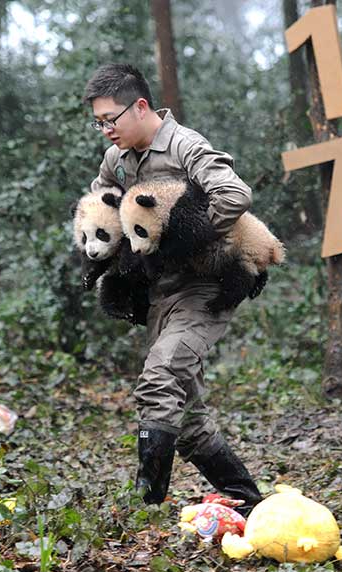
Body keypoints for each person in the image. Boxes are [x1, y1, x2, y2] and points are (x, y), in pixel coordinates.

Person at [83, 63, 262, 514]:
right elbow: (100, 209)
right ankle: (250, 503)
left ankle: (145, 500)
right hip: (158, 295)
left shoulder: (185, 147)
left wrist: (184, 240)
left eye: (111, 119)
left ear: (140, 106)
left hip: (205, 287)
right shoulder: (116, 161)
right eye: (98, 123)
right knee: (187, 418)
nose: (106, 130)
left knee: (161, 377)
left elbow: (235, 196)